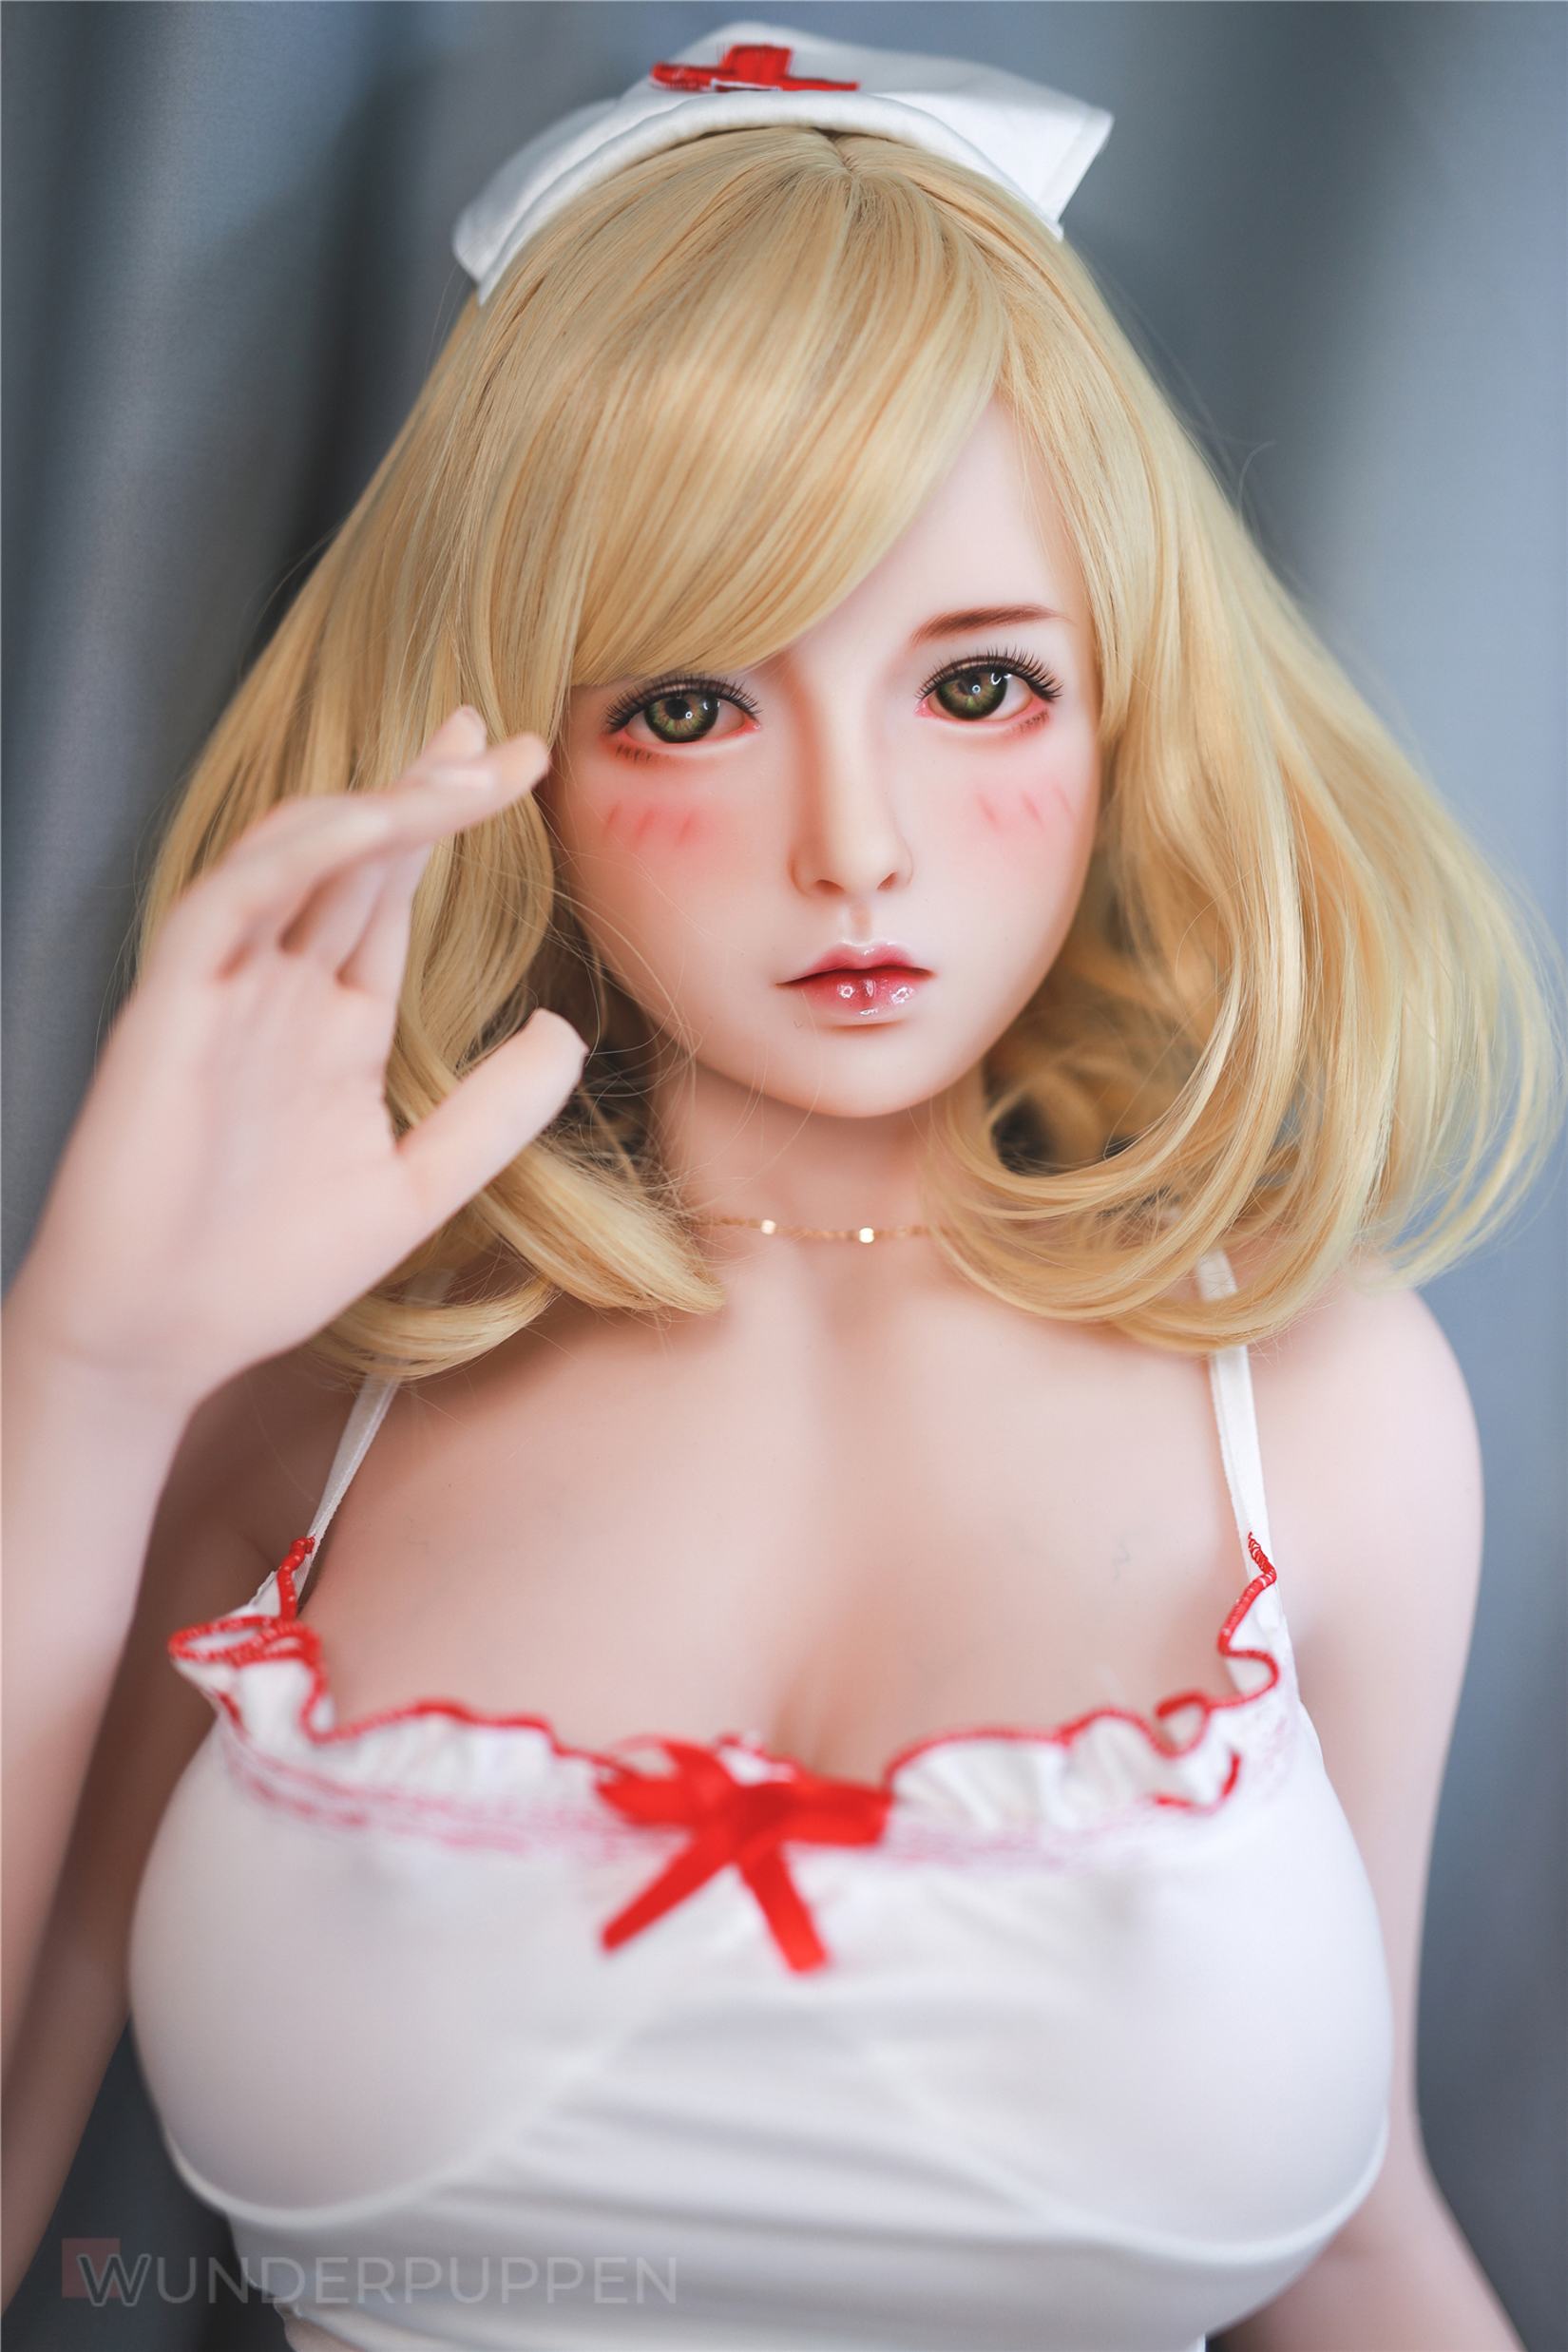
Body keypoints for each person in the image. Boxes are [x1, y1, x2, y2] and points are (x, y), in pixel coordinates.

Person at [2, 24, 1558, 2351]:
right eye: (692, 703)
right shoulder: (285, 1414)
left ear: (1131, 707)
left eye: (979, 688)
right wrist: (83, 1377)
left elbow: (1352, 2234)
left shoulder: (1329, 1409)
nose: (858, 845)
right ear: (513, 745)